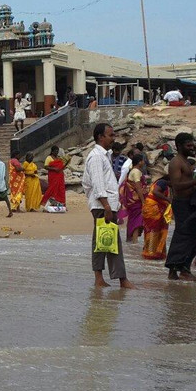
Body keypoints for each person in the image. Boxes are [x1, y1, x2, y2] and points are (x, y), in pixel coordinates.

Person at [82, 122, 133, 288]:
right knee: (107, 241)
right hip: (102, 206)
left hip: (106, 205)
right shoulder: (96, 157)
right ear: (100, 137)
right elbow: (97, 184)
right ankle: (117, 279)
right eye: (110, 135)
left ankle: (110, 278)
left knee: (106, 241)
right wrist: (107, 207)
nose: (113, 138)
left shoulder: (104, 155)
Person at [164, 132, 196, 281]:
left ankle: (177, 269)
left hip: (189, 203)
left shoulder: (185, 161)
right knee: (185, 235)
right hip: (182, 204)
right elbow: (176, 185)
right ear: (179, 146)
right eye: (189, 145)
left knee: (193, 236)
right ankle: (181, 269)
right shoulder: (176, 162)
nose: (192, 147)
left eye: (192, 144)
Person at [141, 177, 172, 260]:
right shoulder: (163, 182)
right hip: (153, 208)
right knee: (153, 230)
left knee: (154, 229)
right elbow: (155, 192)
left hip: (152, 208)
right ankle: (151, 253)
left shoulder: (161, 182)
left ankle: (153, 251)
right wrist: (167, 199)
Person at [120, 153, 146, 242]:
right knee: (137, 220)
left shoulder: (133, 171)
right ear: (139, 162)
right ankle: (135, 241)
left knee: (132, 219)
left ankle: (130, 240)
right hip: (136, 201)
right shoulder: (136, 172)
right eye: (142, 160)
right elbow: (138, 188)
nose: (144, 162)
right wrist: (143, 201)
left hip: (132, 201)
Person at [41, 145, 67, 210]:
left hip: (60, 176)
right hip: (53, 176)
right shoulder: (49, 158)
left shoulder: (58, 158)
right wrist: (54, 169)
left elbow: (61, 166)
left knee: (60, 190)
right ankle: (47, 205)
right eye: (55, 151)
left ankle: (61, 205)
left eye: (57, 151)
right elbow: (46, 166)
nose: (57, 152)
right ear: (52, 151)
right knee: (52, 189)